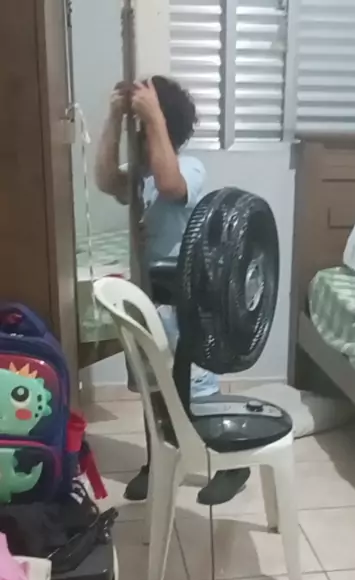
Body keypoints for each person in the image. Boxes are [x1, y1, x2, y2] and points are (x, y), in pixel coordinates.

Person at [95, 76, 249, 504]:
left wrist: (153, 116)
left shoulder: (189, 167)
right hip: (149, 301)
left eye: (147, 126)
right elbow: (105, 179)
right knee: (153, 390)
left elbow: (170, 186)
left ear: (166, 124)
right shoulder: (141, 176)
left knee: (196, 392)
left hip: (186, 302)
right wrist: (114, 117)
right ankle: (157, 462)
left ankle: (232, 464)